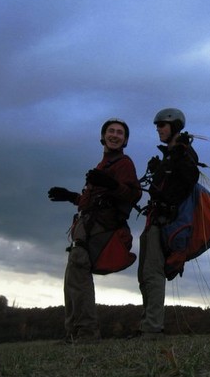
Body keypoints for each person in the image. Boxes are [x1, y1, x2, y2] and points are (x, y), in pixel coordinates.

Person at [48, 119, 141, 344]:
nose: (115, 135)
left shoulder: (124, 163)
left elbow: (133, 194)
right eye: (111, 131)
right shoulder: (103, 165)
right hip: (87, 225)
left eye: (120, 133)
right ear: (103, 136)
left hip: (102, 228)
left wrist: (111, 185)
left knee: (78, 274)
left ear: (125, 140)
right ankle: (73, 333)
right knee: (73, 277)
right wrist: (72, 197)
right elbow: (92, 201)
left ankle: (86, 333)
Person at [136, 108, 199, 340]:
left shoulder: (185, 152)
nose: (158, 129)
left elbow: (190, 179)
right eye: (157, 126)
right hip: (154, 219)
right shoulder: (170, 155)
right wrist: (158, 171)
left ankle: (152, 329)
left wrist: (180, 154)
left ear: (174, 126)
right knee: (144, 275)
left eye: (162, 125)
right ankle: (147, 325)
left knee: (153, 273)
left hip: (166, 222)